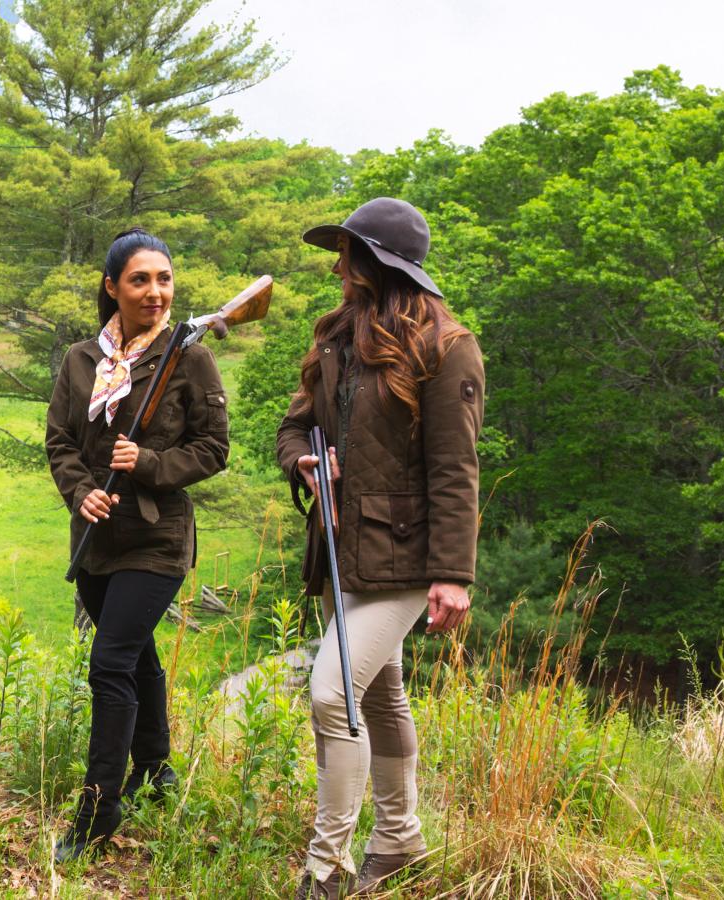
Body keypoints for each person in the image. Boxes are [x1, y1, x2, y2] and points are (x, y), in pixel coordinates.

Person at [277, 198, 483, 899]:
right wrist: (305, 461)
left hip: (407, 555)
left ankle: (325, 868)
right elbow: (294, 427)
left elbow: (456, 469)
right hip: (342, 549)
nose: (337, 266)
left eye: (347, 253)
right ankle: (399, 840)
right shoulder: (337, 337)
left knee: (332, 695)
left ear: (376, 263)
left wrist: (453, 574)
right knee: (383, 695)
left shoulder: (449, 347)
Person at [44, 228, 229, 861]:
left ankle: (99, 810)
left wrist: (146, 462)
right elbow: (61, 443)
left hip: (156, 539)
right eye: (140, 280)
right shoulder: (79, 359)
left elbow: (213, 448)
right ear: (112, 288)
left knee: (110, 664)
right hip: (95, 539)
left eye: (165, 280)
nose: (156, 292)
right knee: (137, 654)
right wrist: (80, 493)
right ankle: (155, 767)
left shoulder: (190, 357)